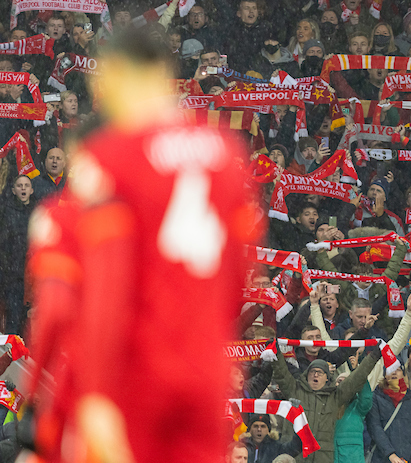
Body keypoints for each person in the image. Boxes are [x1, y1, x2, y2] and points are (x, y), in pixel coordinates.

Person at [24, 30, 261, 463]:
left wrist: (92, 392)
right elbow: (236, 277)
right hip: (206, 368)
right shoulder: (226, 154)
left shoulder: (113, 157)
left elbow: (104, 287)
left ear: (116, 76)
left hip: (139, 368)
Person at [366, 366, 411, 463]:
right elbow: (375, 427)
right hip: (382, 458)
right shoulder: (375, 397)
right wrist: (390, 454)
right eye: (390, 370)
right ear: (385, 375)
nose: (394, 373)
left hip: (408, 458)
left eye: (398, 369)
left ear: (403, 374)